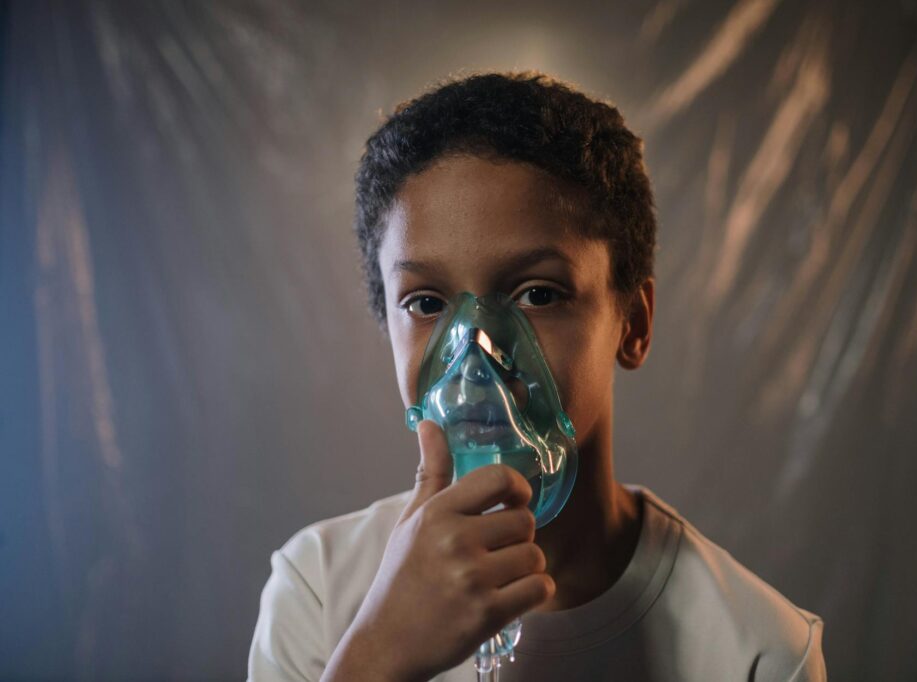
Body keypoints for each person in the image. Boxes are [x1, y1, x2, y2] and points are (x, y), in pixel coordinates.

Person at [247, 71, 826, 681]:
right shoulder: (318, 595)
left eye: (537, 294)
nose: (478, 352)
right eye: (425, 303)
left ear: (634, 323)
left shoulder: (757, 656)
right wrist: (376, 658)